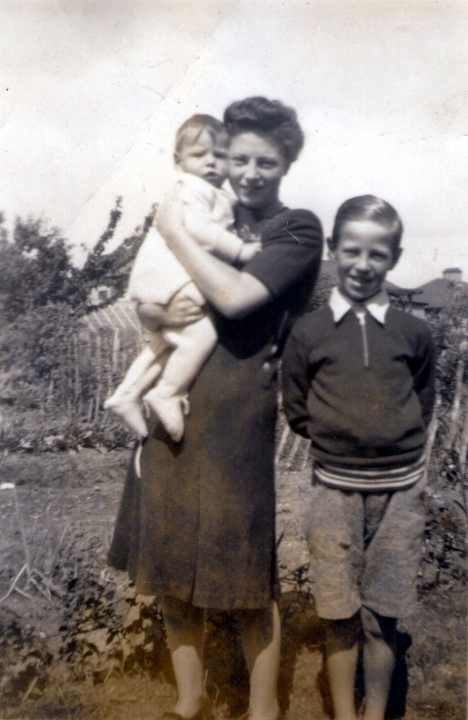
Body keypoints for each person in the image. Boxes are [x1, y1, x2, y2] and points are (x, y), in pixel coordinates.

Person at [108, 97, 323, 720]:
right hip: (171, 403)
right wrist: (153, 312)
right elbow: (155, 300)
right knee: (171, 561)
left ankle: (262, 710)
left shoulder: (296, 229)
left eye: (266, 161)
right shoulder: (211, 206)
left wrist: (175, 231)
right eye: (238, 159)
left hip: (235, 414)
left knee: (245, 573)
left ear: (286, 163)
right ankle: (190, 701)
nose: (249, 172)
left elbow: (232, 298)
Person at [282, 195, 436, 720]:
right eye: (352, 251)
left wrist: (390, 441)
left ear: (393, 258)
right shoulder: (309, 332)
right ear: (334, 251)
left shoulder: (415, 332)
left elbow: (422, 399)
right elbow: (297, 408)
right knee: (338, 612)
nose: (363, 265)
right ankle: (345, 714)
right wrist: (342, 438)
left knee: (382, 614)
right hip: (334, 490)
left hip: (401, 493)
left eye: (377, 254)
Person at [105, 114, 260, 441]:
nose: (211, 163)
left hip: (161, 285)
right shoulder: (191, 188)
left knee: (169, 339)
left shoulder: (215, 194)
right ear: (178, 161)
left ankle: (126, 393)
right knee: (203, 330)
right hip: (170, 278)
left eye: (220, 156)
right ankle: (168, 392)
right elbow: (196, 228)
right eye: (200, 155)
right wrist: (241, 251)